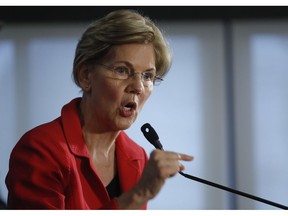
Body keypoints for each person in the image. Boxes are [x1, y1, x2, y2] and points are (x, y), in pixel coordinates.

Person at [5, 9, 193, 209]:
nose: (138, 87)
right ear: (86, 76)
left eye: (147, 76)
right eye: (122, 70)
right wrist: (138, 195)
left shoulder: (136, 157)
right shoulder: (40, 150)